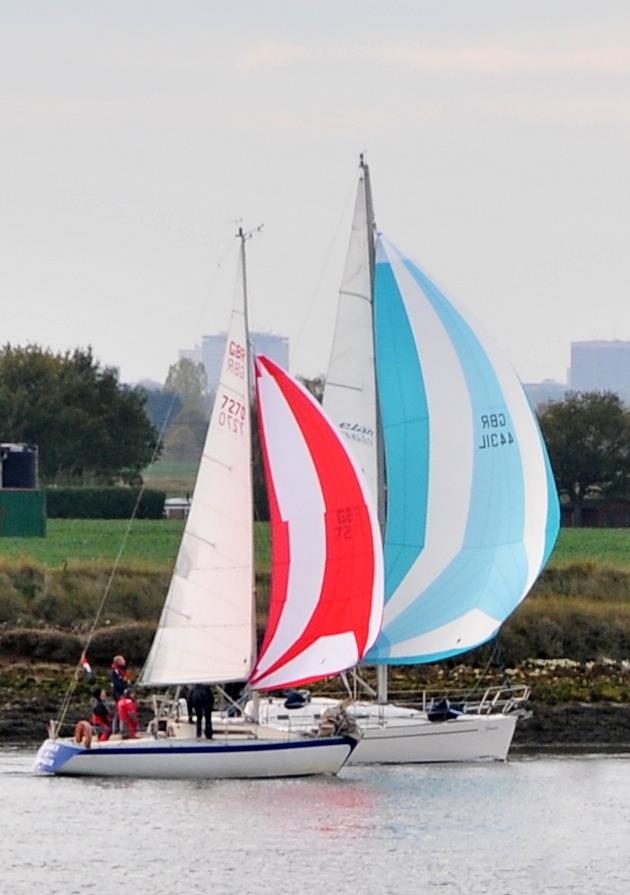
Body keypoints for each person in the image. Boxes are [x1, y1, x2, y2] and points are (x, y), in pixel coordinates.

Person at [110, 655, 130, 734]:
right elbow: (116, 683)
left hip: (124, 692)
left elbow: (126, 679)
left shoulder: (123, 671)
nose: (124, 661)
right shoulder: (115, 671)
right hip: (118, 693)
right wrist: (125, 685)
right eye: (122, 660)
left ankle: (125, 728)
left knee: (125, 710)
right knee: (119, 710)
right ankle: (116, 729)